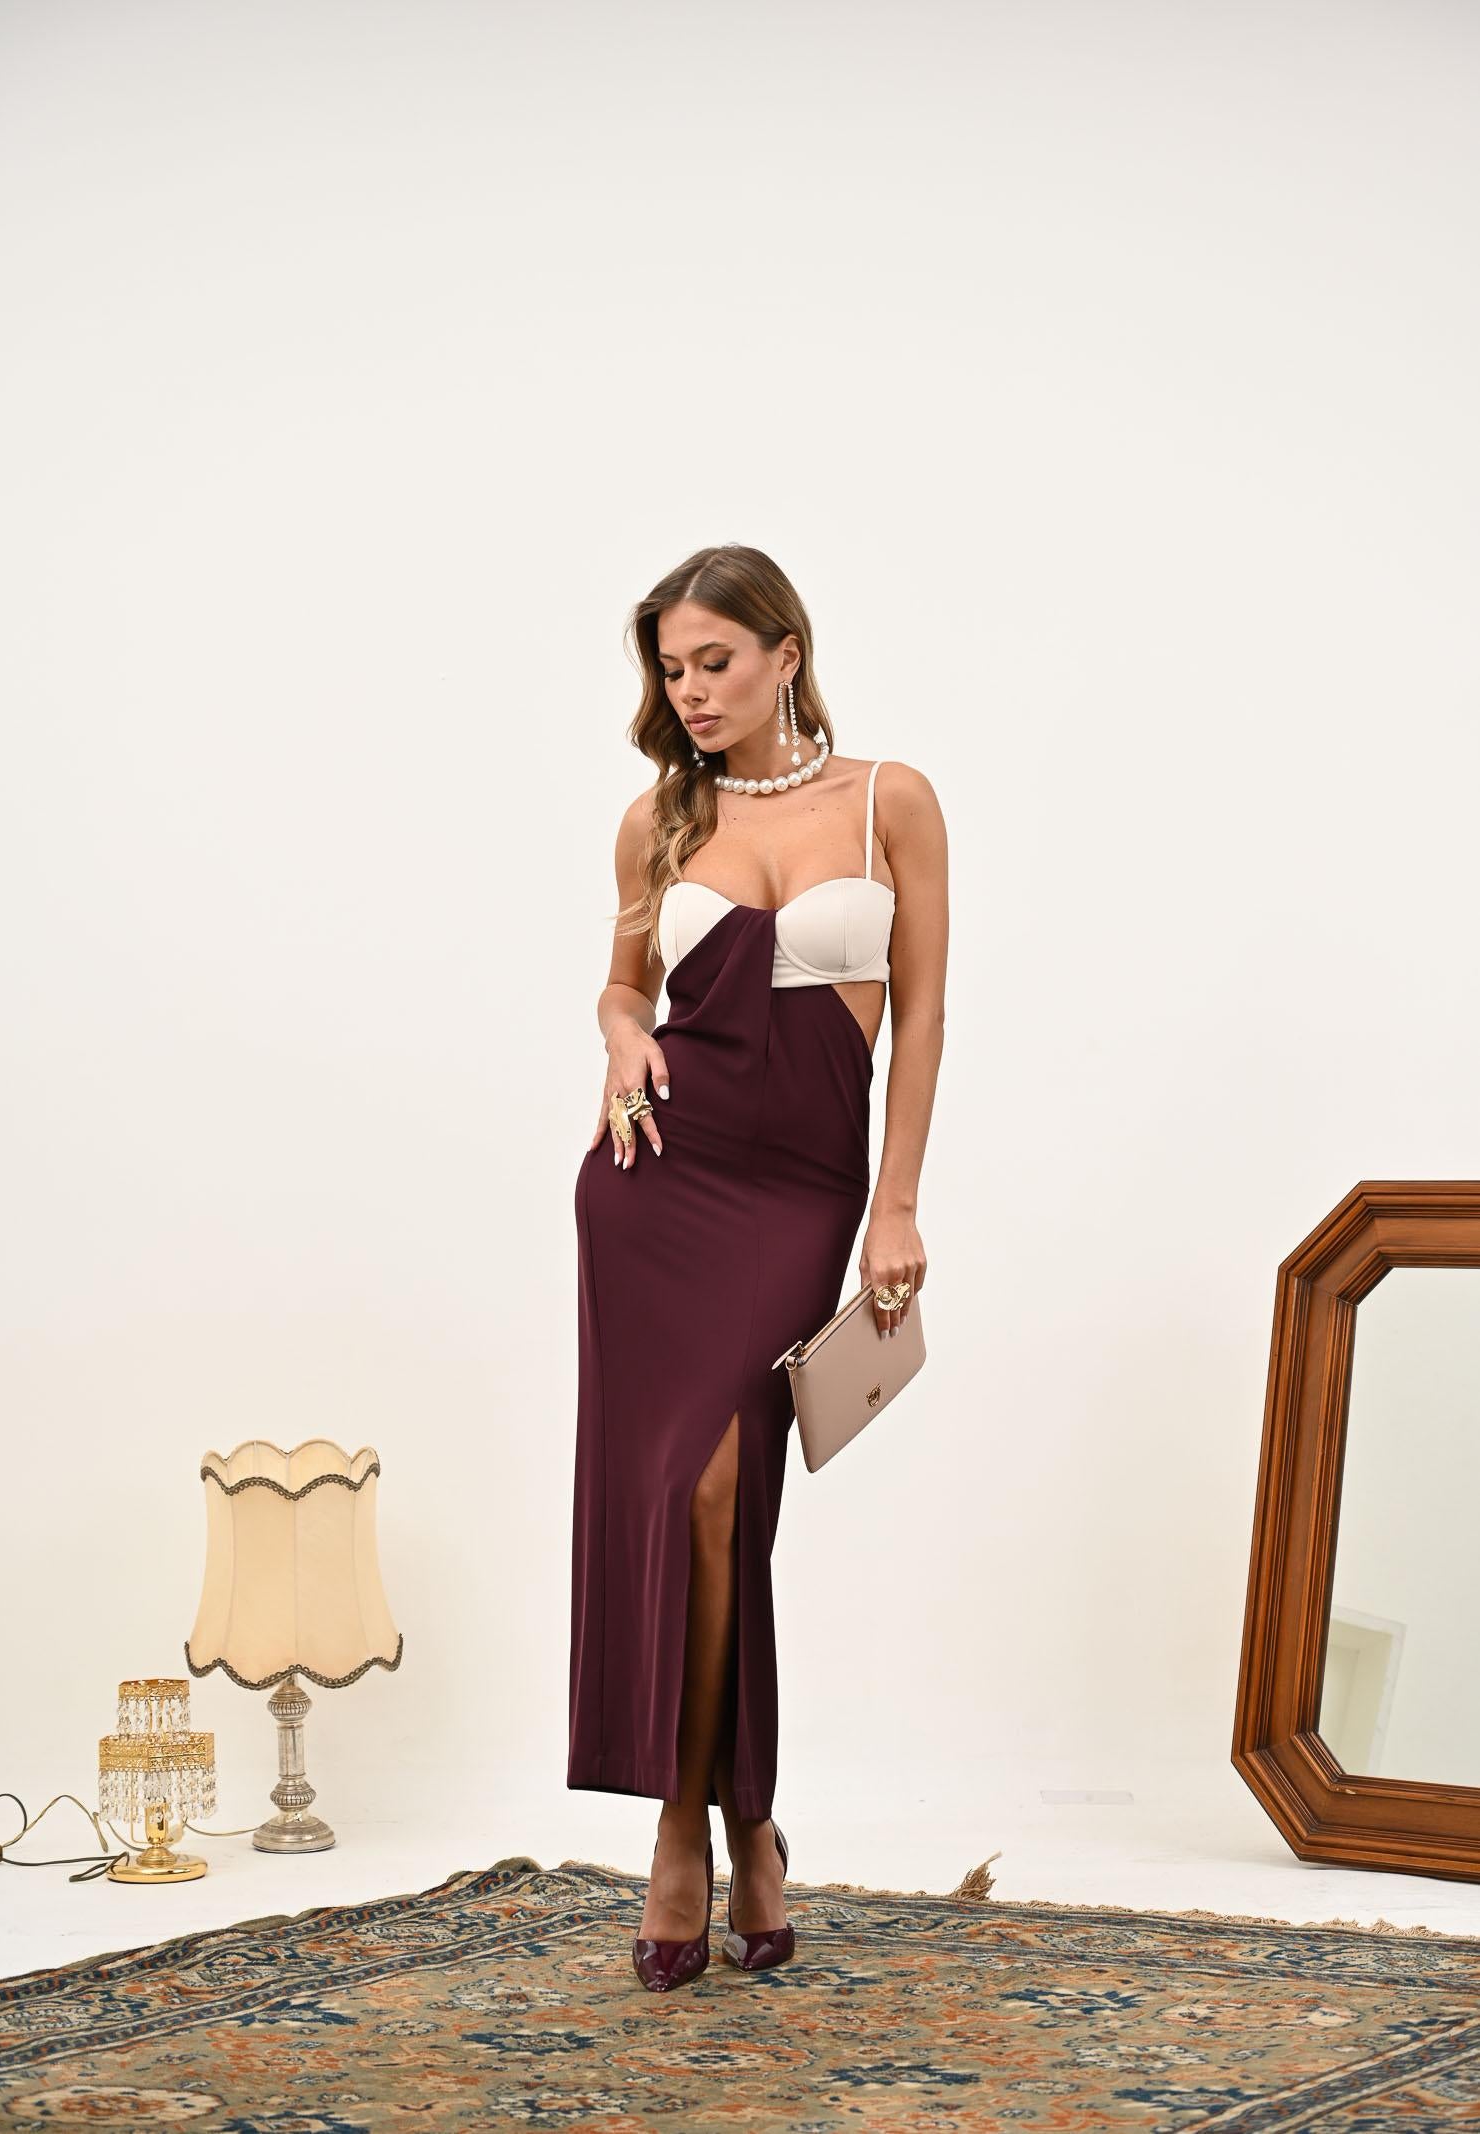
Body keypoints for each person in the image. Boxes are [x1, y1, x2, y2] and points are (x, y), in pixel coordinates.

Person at [568, 543, 948, 1991]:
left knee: (729, 1495)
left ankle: (726, 1815)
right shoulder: (658, 820)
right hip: (655, 1180)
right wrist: (621, 1035)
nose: (690, 690)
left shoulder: (890, 801)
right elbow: (624, 984)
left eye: (714, 661)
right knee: (687, 1507)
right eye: (671, 668)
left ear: (786, 653)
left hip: (802, 1187)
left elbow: (921, 1016)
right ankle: (706, 1826)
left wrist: (895, 1205)